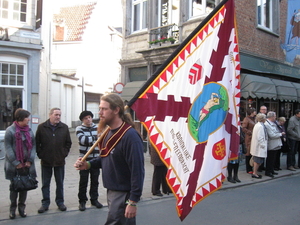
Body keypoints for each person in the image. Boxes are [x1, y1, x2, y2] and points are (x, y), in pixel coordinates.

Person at [74, 93, 145, 225]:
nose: (100, 113)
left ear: (116, 110)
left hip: (123, 193)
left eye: (104, 109)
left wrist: (133, 201)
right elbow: (107, 158)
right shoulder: (107, 132)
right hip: (112, 190)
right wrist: (88, 164)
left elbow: (138, 170)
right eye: (100, 108)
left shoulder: (130, 136)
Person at [36, 108, 72, 213]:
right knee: (45, 183)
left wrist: (64, 154)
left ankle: (60, 202)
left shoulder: (64, 127)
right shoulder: (42, 127)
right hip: (46, 161)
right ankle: (45, 203)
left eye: (59, 115)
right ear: (50, 115)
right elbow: (37, 143)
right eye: (56, 115)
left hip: (60, 160)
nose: (58, 117)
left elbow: (68, 143)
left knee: (60, 183)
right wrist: (41, 155)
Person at [4, 108, 37, 219]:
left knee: (25, 186)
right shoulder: (10, 130)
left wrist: (30, 160)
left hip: (27, 164)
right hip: (14, 165)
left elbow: (33, 146)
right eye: (27, 117)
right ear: (21, 118)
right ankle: (12, 209)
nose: (29, 119)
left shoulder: (29, 130)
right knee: (14, 187)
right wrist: (15, 162)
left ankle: (21, 208)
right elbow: (7, 147)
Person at [76, 110, 103, 211]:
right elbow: (83, 141)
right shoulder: (79, 128)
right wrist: (96, 138)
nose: (88, 120)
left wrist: (95, 139)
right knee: (83, 181)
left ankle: (94, 199)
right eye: (86, 118)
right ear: (82, 120)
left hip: (95, 158)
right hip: (84, 159)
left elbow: (101, 140)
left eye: (89, 117)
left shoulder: (97, 127)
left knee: (95, 180)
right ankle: (82, 201)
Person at [264, 111, 284, 178]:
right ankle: (268, 171)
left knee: (273, 158)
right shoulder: (267, 124)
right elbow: (272, 135)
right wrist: (280, 134)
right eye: (275, 116)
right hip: (272, 143)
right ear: (271, 117)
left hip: (276, 143)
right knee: (270, 158)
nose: (275, 117)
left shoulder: (273, 123)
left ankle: (271, 170)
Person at [250, 113, 268, 179]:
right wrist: (263, 145)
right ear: (262, 119)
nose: (266, 119)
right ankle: (254, 173)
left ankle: (255, 172)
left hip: (258, 145)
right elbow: (260, 137)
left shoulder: (259, 125)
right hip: (259, 146)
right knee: (257, 161)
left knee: (258, 160)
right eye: (265, 118)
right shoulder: (260, 126)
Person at [242, 108, 256, 174]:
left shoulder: (255, 119)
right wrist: (250, 132)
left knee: (253, 152)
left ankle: (253, 167)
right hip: (249, 138)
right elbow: (243, 128)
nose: (255, 112)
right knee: (248, 153)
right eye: (254, 111)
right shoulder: (246, 119)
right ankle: (248, 169)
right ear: (252, 112)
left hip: (254, 137)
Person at [257, 105, 267, 172]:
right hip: (259, 141)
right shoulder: (259, 121)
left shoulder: (265, 119)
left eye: (265, 109)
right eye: (263, 109)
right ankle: (258, 168)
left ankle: (262, 166)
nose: (264, 111)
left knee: (262, 155)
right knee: (258, 155)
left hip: (264, 139)